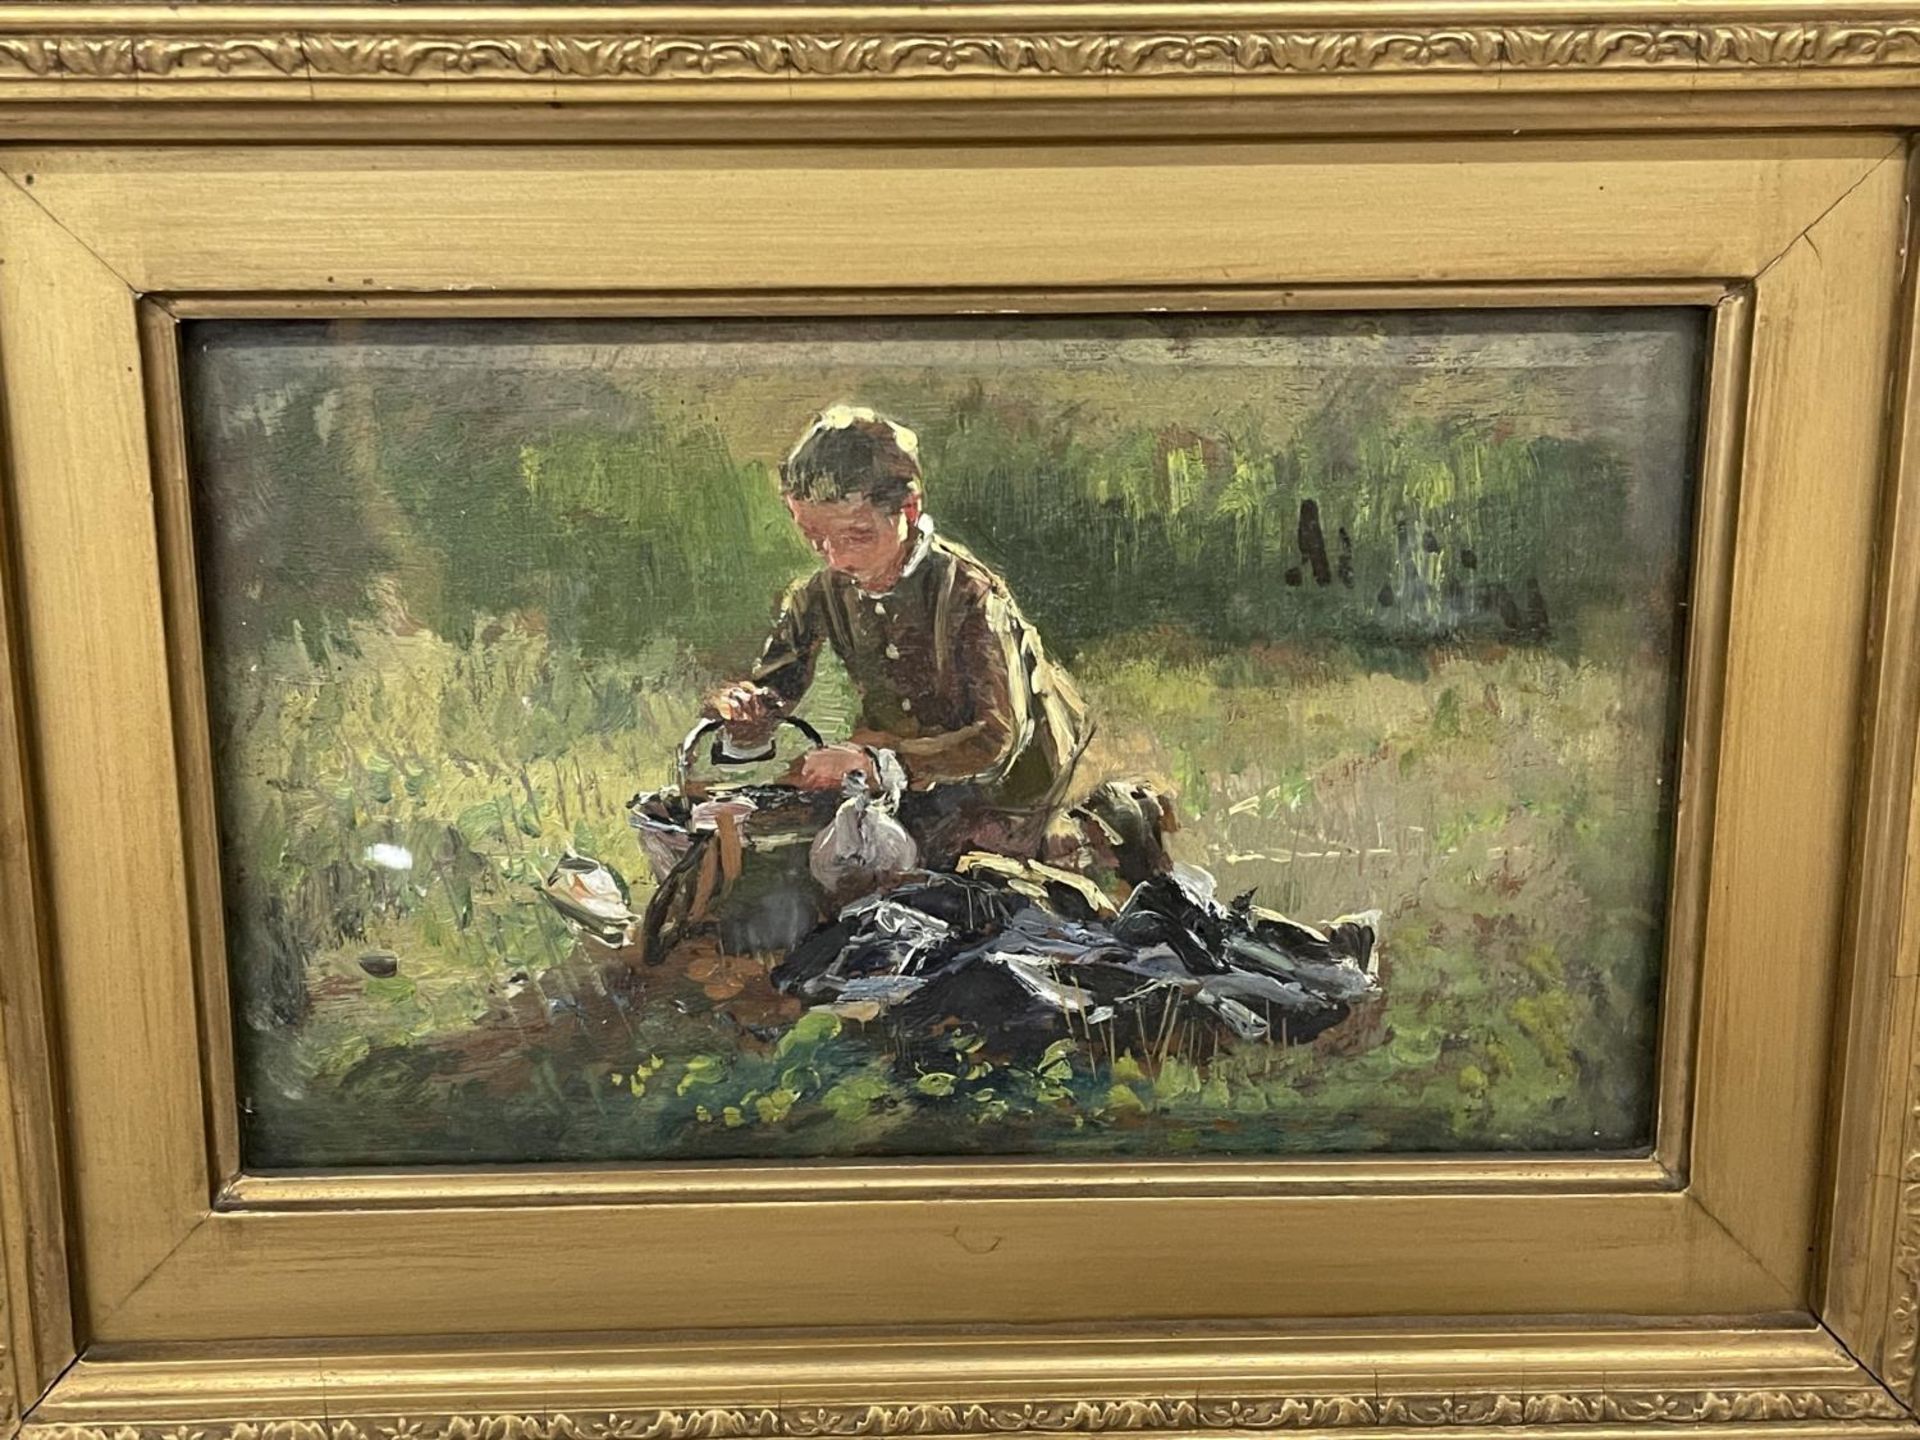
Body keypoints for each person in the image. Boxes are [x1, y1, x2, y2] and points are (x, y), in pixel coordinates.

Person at [706, 405, 1089, 869]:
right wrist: (748, 710)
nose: (835, 559)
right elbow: (775, 688)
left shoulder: (968, 593)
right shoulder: (821, 593)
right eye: (814, 539)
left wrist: (874, 764)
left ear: (908, 510)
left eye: (856, 535)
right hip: (903, 785)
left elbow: (996, 739)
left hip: (1011, 794)